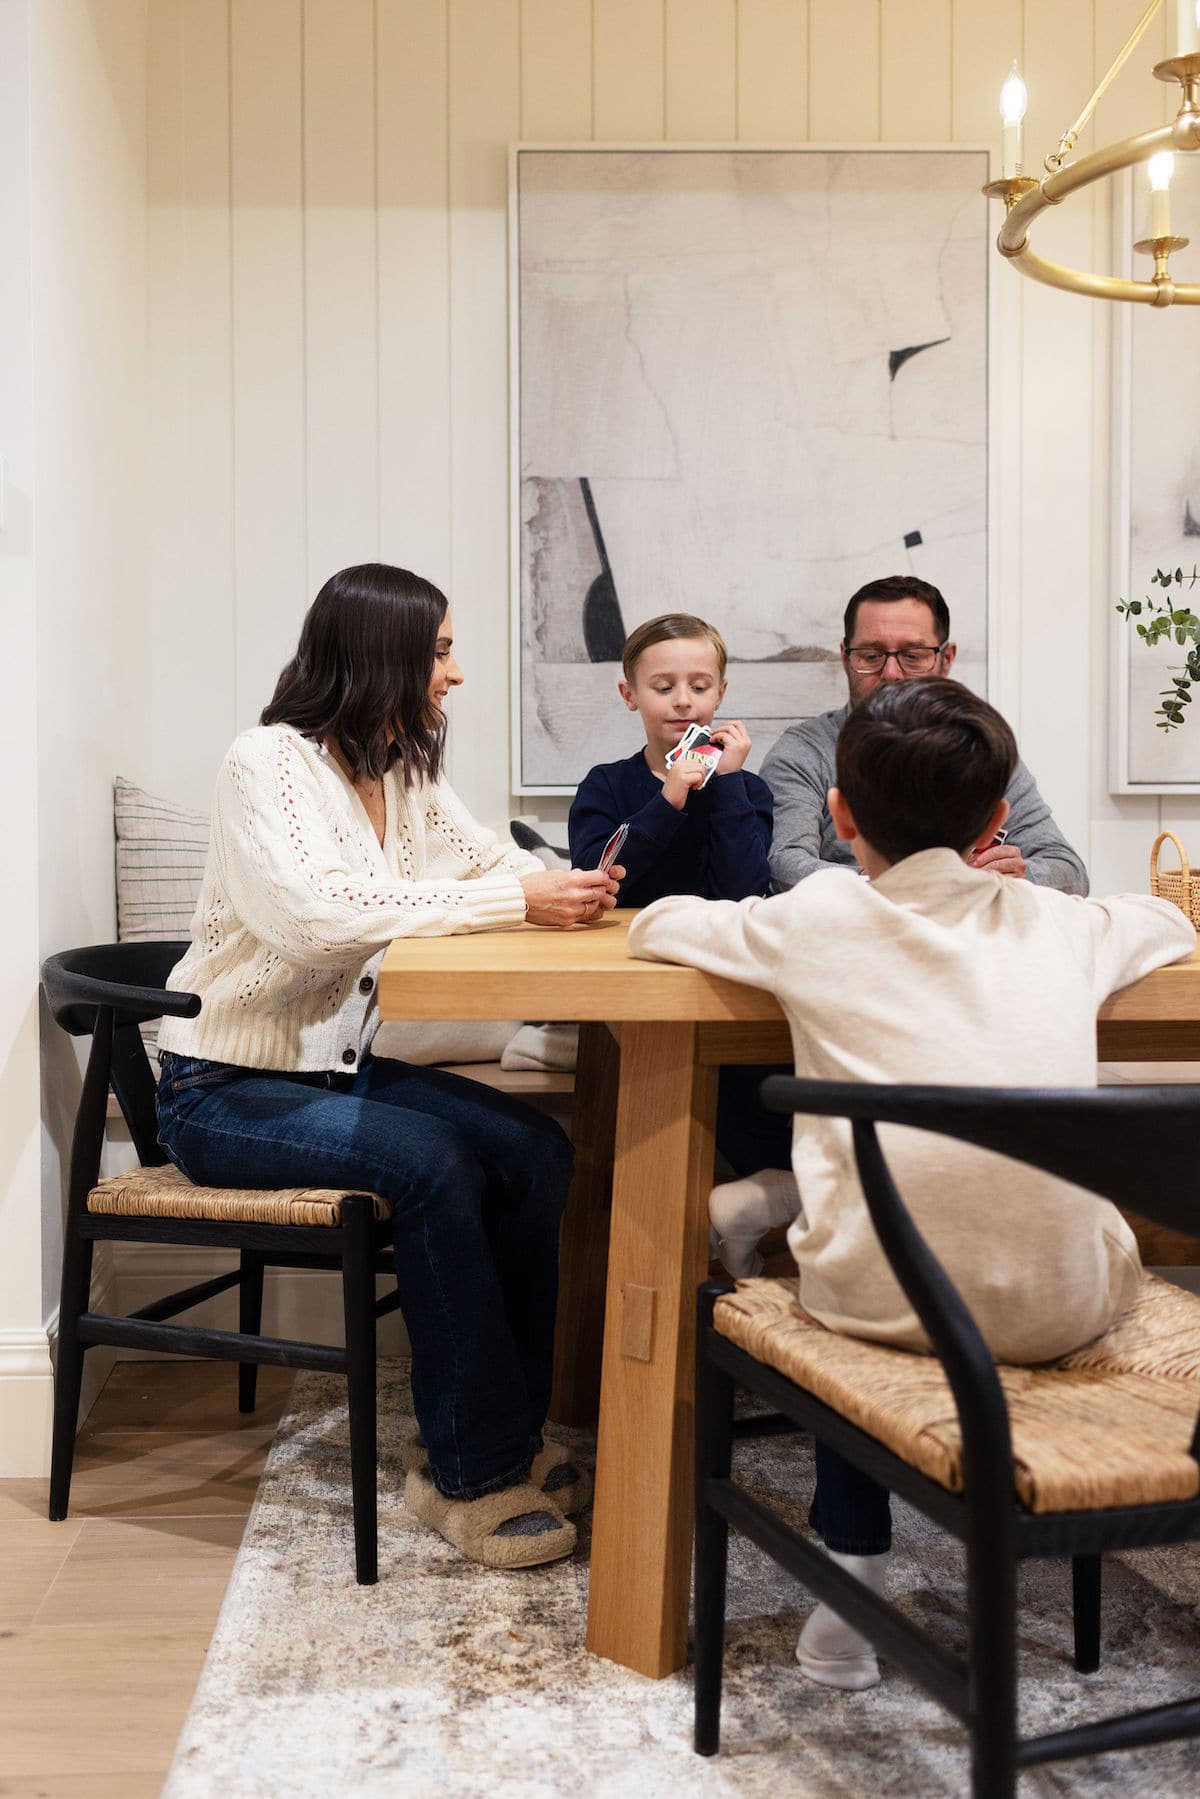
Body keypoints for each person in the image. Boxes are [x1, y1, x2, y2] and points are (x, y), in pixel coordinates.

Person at [629, 677, 1194, 1689]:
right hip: (1062, 1308)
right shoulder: (1064, 924)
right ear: (994, 820)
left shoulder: (817, 916)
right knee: (1041, 1221)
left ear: (841, 816)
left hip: (877, 1306)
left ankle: (854, 1563)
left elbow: (657, 925)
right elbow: (1168, 923)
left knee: (861, 1271)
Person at [155, 563, 623, 1571]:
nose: (454, 673)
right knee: (434, 1163)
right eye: (443, 650)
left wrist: (559, 885)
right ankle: (468, 1474)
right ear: (387, 655)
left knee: (537, 1148)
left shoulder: (403, 767)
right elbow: (317, 920)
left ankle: (484, 1427)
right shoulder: (267, 763)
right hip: (221, 1087)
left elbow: (493, 864)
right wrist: (517, 901)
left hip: (334, 1070)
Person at [569, 613, 789, 1180]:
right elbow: (598, 877)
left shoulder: (748, 789)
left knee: (753, 1099)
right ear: (629, 695)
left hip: (717, 973)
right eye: (663, 688)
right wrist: (669, 798)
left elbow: (744, 890)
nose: (683, 702)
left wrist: (729, 785)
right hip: (627, 973)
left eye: (699, 686)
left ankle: (756, 1202)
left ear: (721, 692)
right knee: (633, 1107)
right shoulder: (606, 785)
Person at [762, 575, 1089, 895]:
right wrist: (920, 883)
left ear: (946, 659)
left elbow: (1070, 873)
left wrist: (1022, 874)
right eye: (871, 657)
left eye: (912, 657)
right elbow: (783, 866)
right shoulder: (804, 752)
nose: (891, 673)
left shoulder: (982, 748)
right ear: (847, 658)